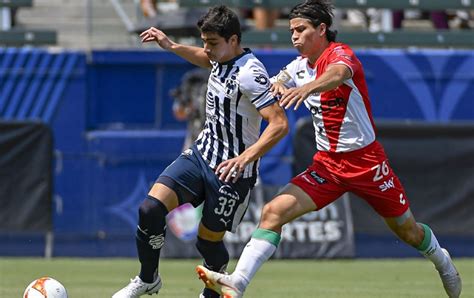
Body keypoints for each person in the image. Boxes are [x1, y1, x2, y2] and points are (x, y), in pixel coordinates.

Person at [195, 1, 462, 298]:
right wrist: (278, 86)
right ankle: (238, 282)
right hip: (327, 167)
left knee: (408, 232)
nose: (294, 37)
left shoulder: (340, 54)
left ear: (321, 29)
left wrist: (305, 89)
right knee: (272, 212)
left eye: (300, 30)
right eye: (291, 31)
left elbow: (338, 74)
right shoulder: (297, 67)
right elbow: (275, 84)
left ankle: (442, 260)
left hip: (366, 163)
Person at [112, 5, 289, 298]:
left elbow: (280, 124)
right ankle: (147, 278)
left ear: (233, 40)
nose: (206, 49)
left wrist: (245, 157)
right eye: (204, 41)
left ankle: (214, 292)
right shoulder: (219, 58)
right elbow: (206, 60)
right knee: (150, 209)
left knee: (208, 244)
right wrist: (170, 45)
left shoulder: (249, 72)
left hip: (232, 172)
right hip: (201, 155)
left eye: (212, 43)